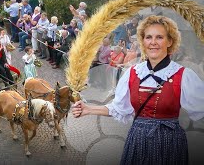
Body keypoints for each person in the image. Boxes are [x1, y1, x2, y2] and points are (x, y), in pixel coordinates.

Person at [72, 15, 204, 165]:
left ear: (170, 41)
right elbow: (119, 109)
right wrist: (88, 109)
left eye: (159, 37)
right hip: (138, 139)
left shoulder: (184, 76)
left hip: (170, 142)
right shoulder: (132, 73)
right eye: (148, 37)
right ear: (143, 41)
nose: (153, 42)